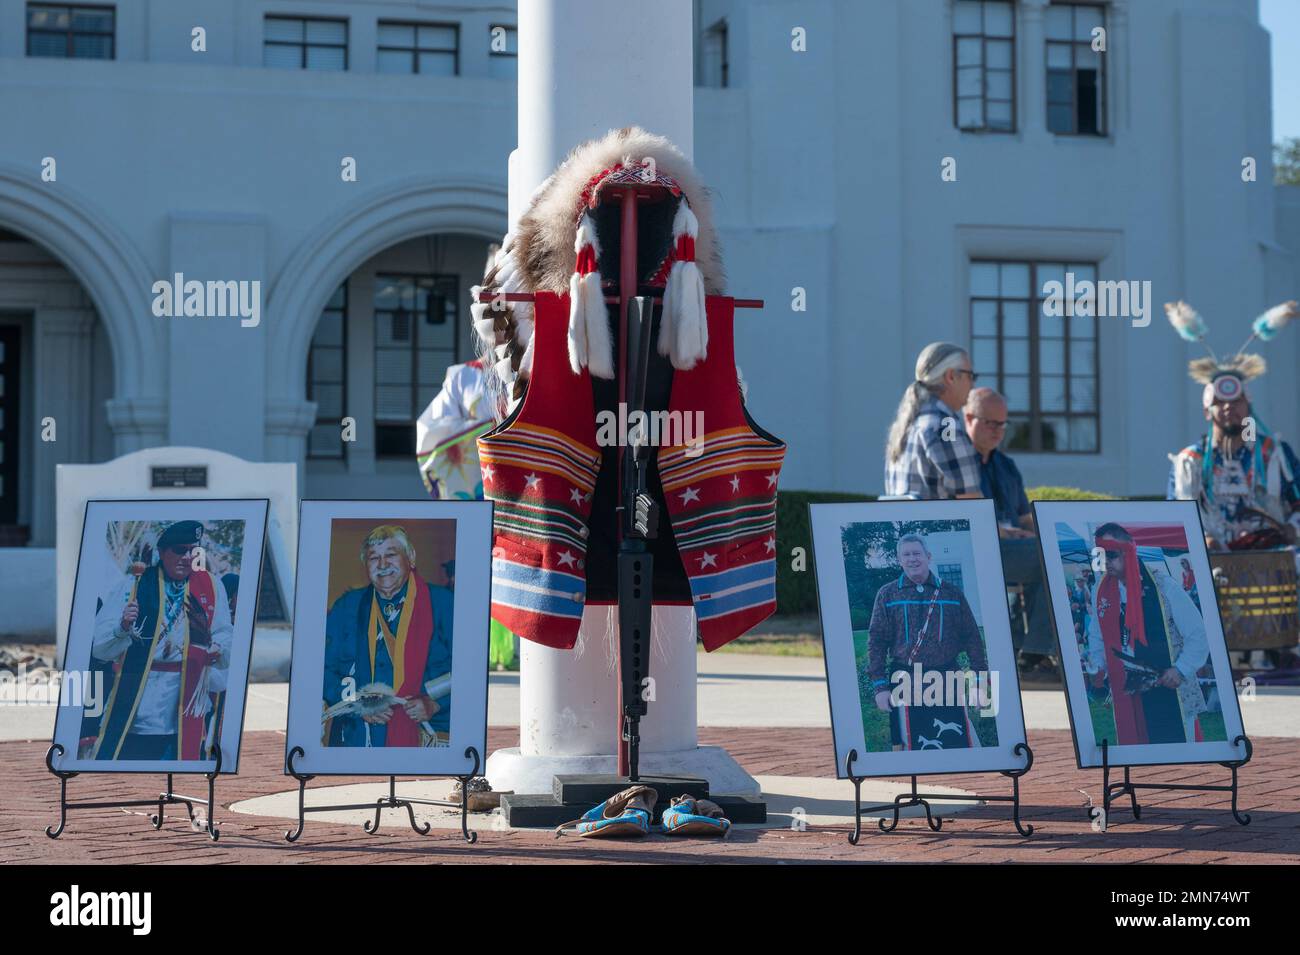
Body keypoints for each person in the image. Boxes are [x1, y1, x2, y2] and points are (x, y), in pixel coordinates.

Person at [85, 520, 232, 761]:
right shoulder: (133, 585)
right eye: (179, 550)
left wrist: (215, 646)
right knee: (127, 770)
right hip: (140, 702)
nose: (186, 557)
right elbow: (100, 647)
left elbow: (225, 632)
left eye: (192, 550)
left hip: (188, 701)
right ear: (162, 552)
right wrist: (122, 627)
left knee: (186, 769)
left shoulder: (211, 587)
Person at [1165, 300, 1300, 550]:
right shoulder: (1190, 461)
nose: (1228, 408)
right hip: (1214, 565)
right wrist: (1204, 539)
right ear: (1207, 411)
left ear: (1249, 407)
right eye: (1219, 401)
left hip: (1273, 561)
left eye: (1236, 401)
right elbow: (1176, 517)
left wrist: (1292, 528)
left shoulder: (1274, 454)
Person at [322, 525, 454, 747]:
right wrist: (355, 704)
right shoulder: (347, 607)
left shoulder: (444, 604)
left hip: (426, 734)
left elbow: (470, 669)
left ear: (410, 558)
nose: (382, 565)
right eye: (374, 558)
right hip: (358, 737)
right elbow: (322, 669)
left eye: (391, 555)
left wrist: (435, 703)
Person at [866, 532, 990, 751]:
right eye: (906, 554)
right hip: (905, 679)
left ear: (928, 556)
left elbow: (972, 637)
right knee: (911, 744)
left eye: (917, 553)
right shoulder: (887, 594)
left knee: (958, 741)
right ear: (899, 559)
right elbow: (876, 641)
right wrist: (880, 686)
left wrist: (979, 682)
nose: (912, 559)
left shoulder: (952, 592)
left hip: (946, 677)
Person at [1088, 523, 1210, 745]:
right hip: (1128, 687)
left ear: (1128, 552)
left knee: (1180, 751)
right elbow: (1097, 635)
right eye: (1101, 555)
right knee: (1137, 749)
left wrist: (1181, 669)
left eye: (1112, 555)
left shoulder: (1164, 586)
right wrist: (1097, 666)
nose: (1106, 562)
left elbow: (1198, 633)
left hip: (1169, 684)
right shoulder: (1102, 590)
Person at [963, 386, 1052, 660]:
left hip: (1013, 549)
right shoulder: (958, 464)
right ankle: (1034, 655)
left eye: (1003, 424)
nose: (998, 430)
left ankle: (1021, 649)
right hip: (978, 549)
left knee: (1055, 553)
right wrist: (1004, 532)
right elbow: (963, 520)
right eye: (990, 422)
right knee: (1046, 558)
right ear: (968, 418)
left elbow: (1025, 520)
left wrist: (1047, 535)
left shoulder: (1007, 466)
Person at [884, 342, 982, 500]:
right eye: (970, 376)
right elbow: (970, 499)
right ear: (950, 376)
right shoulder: (945, 426)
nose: (973, 384)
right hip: (940, 524)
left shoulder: (906, 424)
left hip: (905, 523)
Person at [415, 358, 495, 500]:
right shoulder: (462, 376)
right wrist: (490, 428)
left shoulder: (531, 369)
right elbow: (437, 431)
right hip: (482, 480)